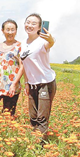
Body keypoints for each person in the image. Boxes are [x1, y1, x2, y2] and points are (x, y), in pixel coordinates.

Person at [20, 13, 56, 142]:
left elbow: (50, 44)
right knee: (33, 117)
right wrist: (26, 83)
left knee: (42, 118)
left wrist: (51, 39)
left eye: (34, 23)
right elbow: (25, 65)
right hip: (32, 84)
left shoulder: (42, 41)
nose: (30, 25)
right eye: (28, 22)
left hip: (45, 83)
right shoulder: (23, 43)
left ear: (39, 27)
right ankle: (35, 142)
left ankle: (39, 147)